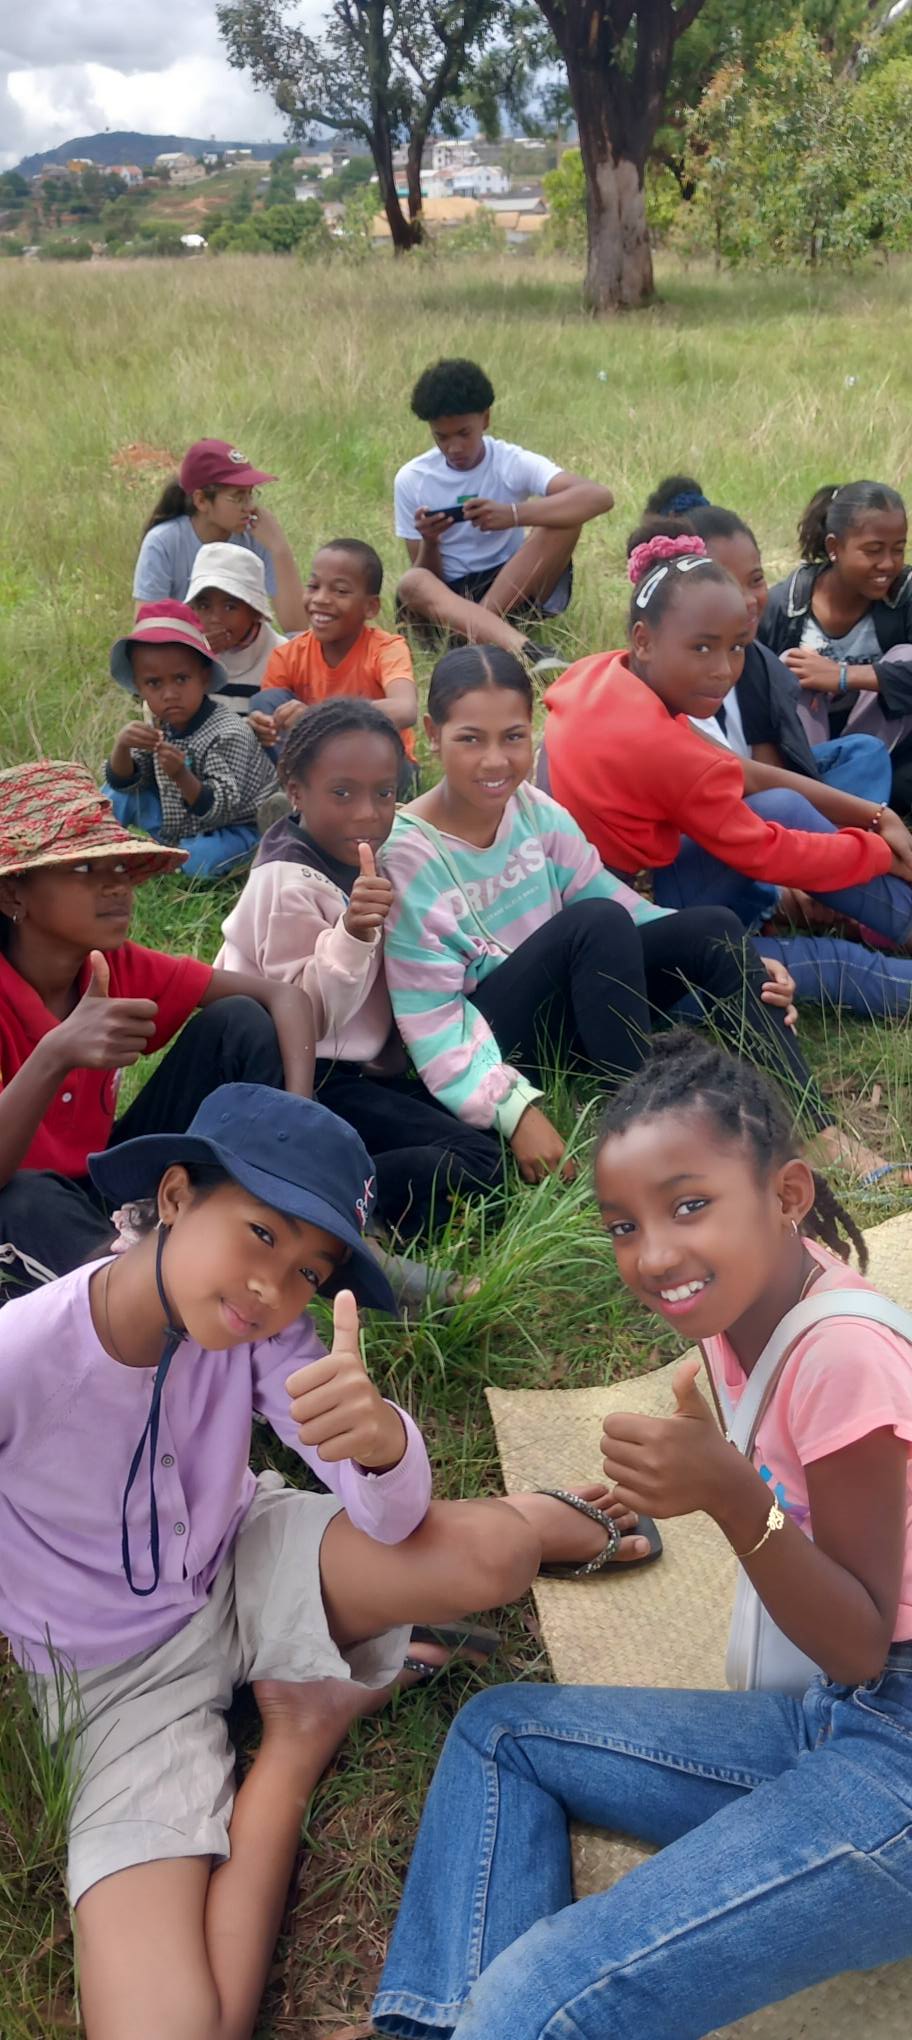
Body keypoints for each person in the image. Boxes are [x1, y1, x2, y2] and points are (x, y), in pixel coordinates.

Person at [7, 1081, 659, 2040]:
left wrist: (383, 1444)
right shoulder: (23, 1358)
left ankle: (541, 1517)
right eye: (260, 1234)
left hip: (243, 1554)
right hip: (115, 1682)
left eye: (308, 1270)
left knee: (491, 1558)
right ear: (176, 1196)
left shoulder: (266, 1333)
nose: (273, 1289)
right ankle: (304, 1730)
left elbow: (386, 1512)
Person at [372, 1030, 912, 2039]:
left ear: (789, 1194)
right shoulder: (747, 1309)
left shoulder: (843, 1355)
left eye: (689, 1205)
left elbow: (858, 1641)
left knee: (538, 1998)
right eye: (624, 1224)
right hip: (842, 1715)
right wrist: (719, 1467)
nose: (654, 1255)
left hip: (894, 1753)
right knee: (503, 1733)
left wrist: (731, 1495)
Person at [380, 644, 824, 1189]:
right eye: (470, 739)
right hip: (492, 1040)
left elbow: (621, 905)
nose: (495, 761)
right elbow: (432, 1017)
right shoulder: (407, 854)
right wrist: (512, 1109)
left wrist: (742, 964)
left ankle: (818, 1127)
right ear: (432, 733)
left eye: (513, 737)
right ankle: (647, 1143)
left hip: (568, 1013)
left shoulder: (534, 811)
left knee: (713, 928)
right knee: (594, 923)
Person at [215, 698, 506, 1278]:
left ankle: (327, 1179)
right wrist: (351, 933)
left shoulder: (377, 856)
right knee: (479, 1163)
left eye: (385, 793)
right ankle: (335, 1203)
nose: (367, 814)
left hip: (372, 1066)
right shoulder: (288, 880)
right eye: (342, 793)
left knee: (482, 1138)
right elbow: (307, 1015)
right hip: (304, 1074)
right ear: (295, 792)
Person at [0, 763, 316, 1294]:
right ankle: (154, 1290)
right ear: (13, 896)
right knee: (22, 1200)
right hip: (22, 1201)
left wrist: (297, 1121)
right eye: (84, 868)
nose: (116, 886)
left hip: (102, 1179)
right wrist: (56, 1052)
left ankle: (274, 1206)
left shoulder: (114, 964)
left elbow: (284, 997)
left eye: (120, 867)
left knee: (238, 1022)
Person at [541, 536, 912, 956]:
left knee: (786, 802)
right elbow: (769, 852)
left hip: (602, 893)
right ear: (643, 640)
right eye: (702, 647)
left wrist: (875, 816)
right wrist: (879, 852)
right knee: (839, 968)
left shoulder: (600, 672)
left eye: (736, 647)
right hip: (631, 929)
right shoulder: (660, 748)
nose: (724, 670)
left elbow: (743, 772)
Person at [642, 478, 893, 801]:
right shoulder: (668, 673)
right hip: (715, 803)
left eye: (756, 579)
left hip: (763, 793)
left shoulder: (754, 659)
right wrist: (866, 813)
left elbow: (772, 768)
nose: (748, 599)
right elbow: (746, 780)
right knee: (785, 802)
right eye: (728, 583)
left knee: (864, 752)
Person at [393, 357, 614, 671]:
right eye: (442, 437)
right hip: (448, 604)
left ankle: (480, 636)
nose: (454, 447)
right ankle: (528, 652)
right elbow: (429, 578)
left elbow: (599, 497)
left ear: (485, 419)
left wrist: (514, 514)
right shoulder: (412, 478)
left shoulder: (509, 461)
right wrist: (430, 541)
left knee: (565, 521)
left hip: (509, 589)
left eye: (463, 433)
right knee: (413, 581)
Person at [759, 480, 912, 810]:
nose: (888, 564)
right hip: (805, 754)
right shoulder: (786, 605)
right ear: (834, 547)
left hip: (884, 749)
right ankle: (820, 792)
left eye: (898, 549)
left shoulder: (906, 596)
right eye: (873, 550)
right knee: (790, 665)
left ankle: (852, 791)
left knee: (905, 656)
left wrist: (843, 676)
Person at [103, 601, 277, 880]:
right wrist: (122, 747)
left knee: (200, 860)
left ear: (204, 678)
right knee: (115, 796)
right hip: (180, 822)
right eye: (154, 683)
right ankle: (97, 842)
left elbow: (221, 809)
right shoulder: (160, 725)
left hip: (233, 826)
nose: (169, 694)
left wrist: (181, 774)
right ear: (139, 687)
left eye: (181, 679)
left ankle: (246, 853)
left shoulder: (227, 733)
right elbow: (128, 782)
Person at [250, 539, 419, 797]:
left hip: (380, 765)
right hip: (314, 765)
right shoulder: (288, 654)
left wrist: (319, 717)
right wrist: (262, 727)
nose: (320, 599)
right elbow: (274, 721)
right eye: (313, 586)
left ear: (370, 607)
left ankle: (311, 798)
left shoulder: (386, 648)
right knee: (266, 701)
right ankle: (307, 795)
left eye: (340, 591)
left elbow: (405, 709)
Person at [132, 438, 308, 634]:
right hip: (182, 648)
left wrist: (278, 547)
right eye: (238, 497)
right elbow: (147, 631)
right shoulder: (163, 542)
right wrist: (199, 643)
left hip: (246, 648)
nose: (249, 506)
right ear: (201, 501)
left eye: (250, 494)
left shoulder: (257, 536)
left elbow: (298, 630)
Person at [184, 543, 287, 715]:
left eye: (230, 607)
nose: (215, 618)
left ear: (255, 612)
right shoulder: (185, 653)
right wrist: (197, 657)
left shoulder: (283, 656)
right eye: (204, 606)